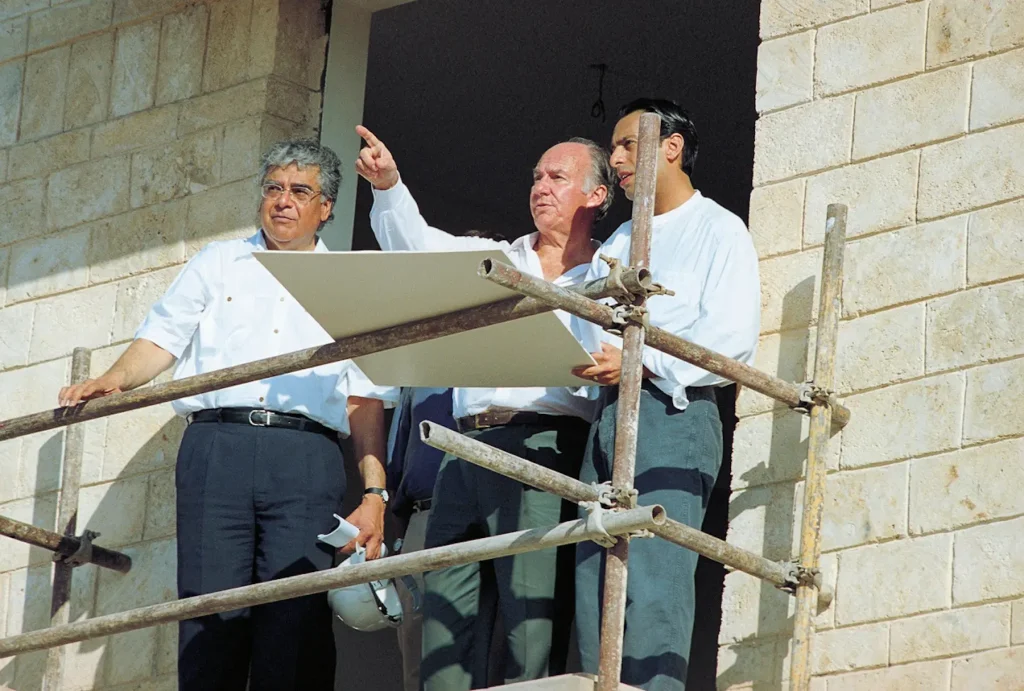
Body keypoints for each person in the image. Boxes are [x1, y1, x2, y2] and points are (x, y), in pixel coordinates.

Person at [57, 139, 396, 691]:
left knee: (296, 620)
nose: (283, 201)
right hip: (218, 451)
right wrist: (111, 380)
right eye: (273, 188)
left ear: (326, 207)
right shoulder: (217, 262)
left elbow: (364, 399)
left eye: (299, 191)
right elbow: (161, 340)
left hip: (305, 459)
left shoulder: (350, 279)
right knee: (210, 614)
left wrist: (374, 496)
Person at [354, 125, 614, 690]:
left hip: (546, 449)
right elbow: (416, 249)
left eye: (557, 177)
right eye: (536, 177)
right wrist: (389, 186)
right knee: (445, 629)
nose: (540, 187)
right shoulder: (496, 259)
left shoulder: (608, 274)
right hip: (462, 450)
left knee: (531, 626)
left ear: (596, 195)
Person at [571, 99, 761, 691]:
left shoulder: (719, 229)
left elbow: (730, 342)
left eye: (629, 145)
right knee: (593, 580)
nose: (617, 160)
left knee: (655, 583)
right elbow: (586, 324)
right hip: (608, 416)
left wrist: (639, 358)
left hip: (671, 414)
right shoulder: (625, 236)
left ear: (670, 147)